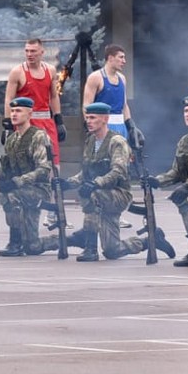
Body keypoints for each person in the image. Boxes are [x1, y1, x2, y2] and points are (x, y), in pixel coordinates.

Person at [67, 102, 172, 262]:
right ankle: (150, 242)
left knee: (92, 193)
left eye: (93, 117)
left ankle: (90, 247)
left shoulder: (117, 142)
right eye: (87, 117)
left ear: (105, 119)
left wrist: (96, 183)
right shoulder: (90, 141)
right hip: (102, 194)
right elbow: (86, 171)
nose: (88, 121)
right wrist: (68, 183)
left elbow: (118, 171)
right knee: (112, 250)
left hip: (118, 194)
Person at [0, 97, 52, 257]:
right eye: (12, 111)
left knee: (10, 195)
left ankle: (15, 242)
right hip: (21, 190)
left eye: (18, 111)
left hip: (39, 190)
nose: (14, 114)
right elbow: (6, 172)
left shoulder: (38, 136)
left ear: (29, 113)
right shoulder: (11, 140)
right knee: (33, 246)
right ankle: (22, 242)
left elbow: (45, 169)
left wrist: (18, 181)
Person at [146, 95, 188, 267]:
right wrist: (157, 181)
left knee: (187, 200)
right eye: (186, 111)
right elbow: (176, 171)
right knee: (186, 203)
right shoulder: (185, 141)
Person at [4, 38, 64, 161]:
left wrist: (59, 121)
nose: (29, 54)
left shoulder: (51, 70)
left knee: (53, 159)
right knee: (26, 160)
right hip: (26, 123)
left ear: (42, 52)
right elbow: (8, 99)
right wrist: (8, 126)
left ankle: (53, 180)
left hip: (47, 122)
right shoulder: (17, 72)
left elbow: (53, 96)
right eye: (27, 51)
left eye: (33, 51)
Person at [82, 44, 142, 144]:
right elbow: (86, 105)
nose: (124, 61)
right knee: (102, 158)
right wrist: (90, 127)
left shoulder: (122, 78)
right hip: (102, 127)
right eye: (121, 57)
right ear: (110, 58)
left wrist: (131, 126)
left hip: (121, 126)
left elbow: (124, 105)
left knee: (122, 158)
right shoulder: (96, 77)